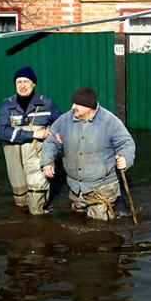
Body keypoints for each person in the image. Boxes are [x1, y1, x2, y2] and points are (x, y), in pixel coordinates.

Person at [40, 86, 136, 221]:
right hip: (75, 185)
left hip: (103, 185)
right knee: (78, 216)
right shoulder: (64, 120)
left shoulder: (111, 122)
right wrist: (47, 161)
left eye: (78, 104)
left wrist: (125, 159)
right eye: (73, 102)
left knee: (99, 224)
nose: (73, 106)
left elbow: (126, 144)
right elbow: (51, 140)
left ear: (90, 107)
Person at [0, 66, 60, 215]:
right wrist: (33, 134)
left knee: (37, 196)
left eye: (26, 81)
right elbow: (2, 132)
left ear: (34, 84)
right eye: (19, 82)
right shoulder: (7, 105)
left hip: (37, 157)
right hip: (14, 158)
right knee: (20, 200)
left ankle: (41, 226)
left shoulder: (47, 104)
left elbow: (60, 126)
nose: (22, 85)